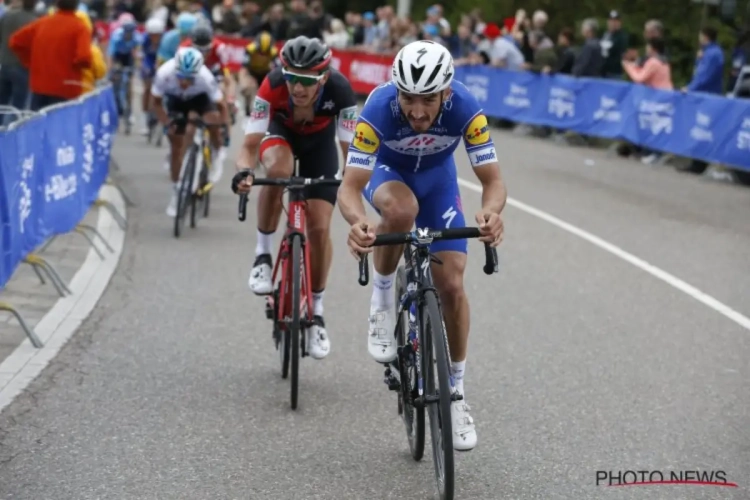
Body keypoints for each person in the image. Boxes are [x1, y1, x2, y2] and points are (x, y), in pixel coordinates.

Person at [337, 40, 506, 451]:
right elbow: (350, 187)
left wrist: (491, 213)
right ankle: (380, 302)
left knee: (451, 286)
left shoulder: (466, 107)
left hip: (439, 182)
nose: (416, 111)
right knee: (401, 211)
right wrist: (359, 222)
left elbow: (493, 182)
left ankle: (457, 393)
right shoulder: (377, 109)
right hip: (392, 177)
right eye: (408, 98)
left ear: (445, 94)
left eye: (427, 100)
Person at [232, 36, 358, 360]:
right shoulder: (272, 85)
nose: (297, 88)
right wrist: (244, 172)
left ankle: (316, 312)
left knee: (318, 228)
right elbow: (248, 147)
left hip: (320, 148)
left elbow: (351, 155)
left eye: (306, 81)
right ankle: (262, 256)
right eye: (292, 78)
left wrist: (351, 186)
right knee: (279, 169)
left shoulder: (341, 91)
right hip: (280, 136)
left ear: (324, 78)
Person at [149, 46, 228, 217]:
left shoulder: (206, 78)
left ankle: (216, 151)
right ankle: (177, 189)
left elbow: (222, 107)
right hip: (176, 101)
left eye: (189, 79)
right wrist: (166, 123)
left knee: (212, 121)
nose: (184, 82)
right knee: (176, 143)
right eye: (181, 77)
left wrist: (221, 129)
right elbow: (156, 102)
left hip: (200, 100)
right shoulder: (164, 73)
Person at [9, 0, 92, 110]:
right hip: (66, 87)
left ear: (57, 4)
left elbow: (15, 42)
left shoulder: (42, 22)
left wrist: (29, 62)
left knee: (38, 123)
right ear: (76, 6)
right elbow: (84, 57)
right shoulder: (80, 27)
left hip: (39, 85)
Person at [178, 20, 233, 181]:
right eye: (198, 50)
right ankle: (183, 164)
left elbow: (227, 77)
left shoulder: (220, 48)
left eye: (206, 50)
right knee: (189, 124)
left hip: (214, 76)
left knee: (221, 100)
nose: (203, 53)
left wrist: (229, 97)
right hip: (195, 78)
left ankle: (220, 143)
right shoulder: (184, 48)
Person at [107, 12, 141, 124]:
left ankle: (129, 111)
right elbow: (111, 56)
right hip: (118, 57)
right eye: (127, 33)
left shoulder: (136, 37)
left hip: (128, 57)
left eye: (130, 33)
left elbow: (137, 54)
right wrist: (111, 70)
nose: (128, 36)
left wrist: (136, 68)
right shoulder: (116, 36)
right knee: (115, 80)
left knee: (129, 84)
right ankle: (115, 106)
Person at [238, 31, 279, 120]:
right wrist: (243, 82)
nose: (262, 54)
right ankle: (247, 107)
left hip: (265, 72)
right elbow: (244, 67)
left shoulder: (273, 52)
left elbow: (277, 69)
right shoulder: (250, 49)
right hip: (252, 71)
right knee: (249, 88)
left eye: (265, 53)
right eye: (260, 52)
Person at [140, 17, 166, 134]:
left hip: (161, 60)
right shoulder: (144, 39)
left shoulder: (165, 40)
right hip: (149, 61)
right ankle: (146, 118)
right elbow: (141, 55)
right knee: (147, 87)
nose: (154, 38)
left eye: (157, 35)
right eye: (152, 35)